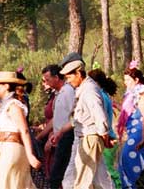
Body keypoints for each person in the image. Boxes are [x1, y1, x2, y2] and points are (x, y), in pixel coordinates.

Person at [59, 60, 114, 189]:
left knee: (82, 180)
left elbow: (99, 115)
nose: (68, 81)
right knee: (100, 180)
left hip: (89, 137)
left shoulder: (89, 89)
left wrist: (104, 136)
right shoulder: (85, 88)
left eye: (70, 77)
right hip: (90, 137)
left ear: (78, 73)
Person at [116, 63, 144, 189]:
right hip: (133, 130)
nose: (125, 82)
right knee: (127, 160)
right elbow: (130, 111)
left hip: (139, 131)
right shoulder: (131, 93)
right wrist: (115, 105)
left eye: (127, 79)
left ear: (136, 80)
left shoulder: (141, 92)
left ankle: (135, 185)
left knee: (129, 158)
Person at [41, 64, 76, 188]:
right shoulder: (59, 93)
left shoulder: (68, 91)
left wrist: (60, 133)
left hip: (67, 136)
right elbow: (57, 118)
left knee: (58, 174)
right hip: (59, 137)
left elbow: (73, 116)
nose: (46, 82)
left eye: (48, 79)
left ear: (56, 77)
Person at [87, 69, 121, 187]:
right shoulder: (104, 94)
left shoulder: (99, 95)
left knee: (108, 171)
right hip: (108, 136)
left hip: (106, 138)